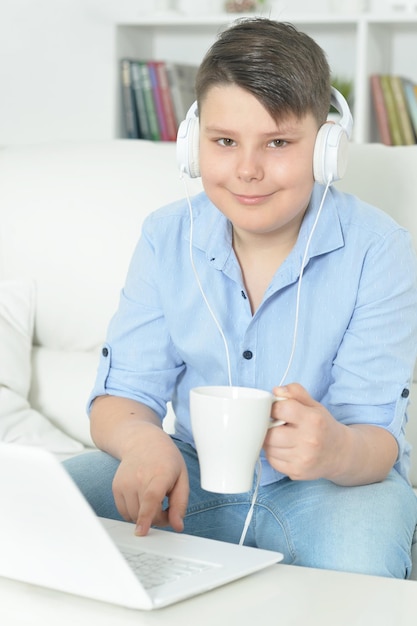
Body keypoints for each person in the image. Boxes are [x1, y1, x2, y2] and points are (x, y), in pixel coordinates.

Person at [64, 18, 417, 578]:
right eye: (225, 142)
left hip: (332, 487)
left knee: (363, 565)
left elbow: (378, 438)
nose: (248, 170)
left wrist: (336, 450)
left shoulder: (380, 250)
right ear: (192, 143)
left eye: (278, 143)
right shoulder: (165, 236)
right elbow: (121, 397)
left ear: (328, 148)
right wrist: (141, 442)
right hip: (190, 472)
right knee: (49, 506)